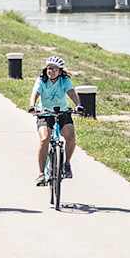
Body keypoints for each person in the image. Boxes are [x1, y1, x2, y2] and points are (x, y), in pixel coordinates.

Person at [28, 55, 83, 187]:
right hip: (45, 113)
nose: (51, 71)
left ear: (60, 71)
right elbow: (35, 93)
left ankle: (66, 164)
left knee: (70, 137)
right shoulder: (41, 80)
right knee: (44, 139)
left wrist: (78, 105)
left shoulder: (64, 80)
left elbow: (71, 92)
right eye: (49, 68)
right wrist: (32, 105)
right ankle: (41, 173)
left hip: (62, 112)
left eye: (54, 69)